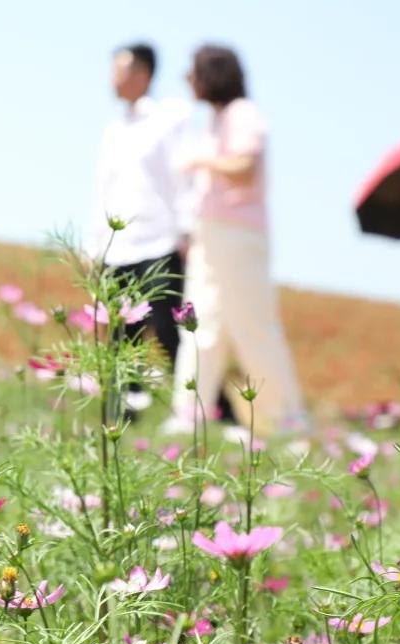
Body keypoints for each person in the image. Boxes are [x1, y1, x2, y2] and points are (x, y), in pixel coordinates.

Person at [88, 43, 234, 419]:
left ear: (143, 73)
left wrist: (186, 229)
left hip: (159, 240)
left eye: (119, 69)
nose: (112, 77)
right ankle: (120, 418)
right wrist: (95, 244)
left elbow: (183, 175)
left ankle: (213, 410)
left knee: (172, 329)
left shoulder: (169, 118)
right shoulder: (114, 130)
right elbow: (103, 191)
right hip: (117, 247)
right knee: (120, 337)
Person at [169, 45, 306, 433]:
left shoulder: (243, 115)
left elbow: (244, 168)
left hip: (238, 234)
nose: (189, 80)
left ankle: (287, 417)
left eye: (193, 72)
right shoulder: (216, 120)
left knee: (253, 325)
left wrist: (199, 160)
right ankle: (188, 413)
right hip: (210, 234)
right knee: (201, 322)